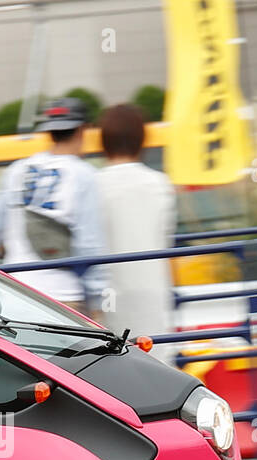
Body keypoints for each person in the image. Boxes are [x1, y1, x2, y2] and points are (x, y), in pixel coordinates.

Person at [0, 97, 107, 315]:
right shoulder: (85, 175)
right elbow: (90, 248)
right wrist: (98, 304)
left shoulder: (18, 170)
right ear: (83, 129)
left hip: (17, 292)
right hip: (64, 297)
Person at [95, 103, 178, 339]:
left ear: (104, 141)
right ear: (142, 139)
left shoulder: (93, 185)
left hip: (109, 294)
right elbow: (166, 242)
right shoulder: (160, 183)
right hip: (153, 291)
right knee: (156, 362)